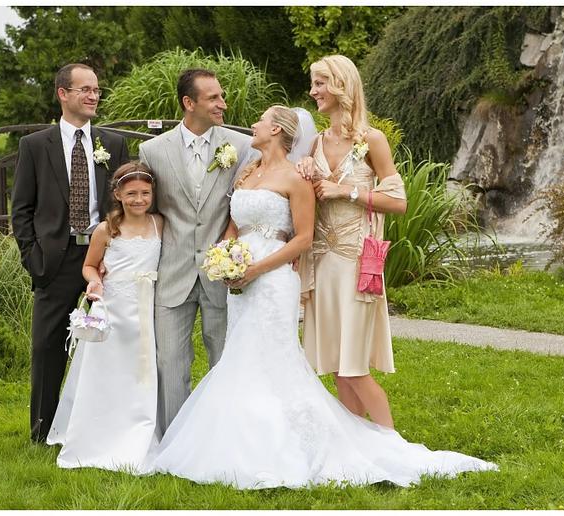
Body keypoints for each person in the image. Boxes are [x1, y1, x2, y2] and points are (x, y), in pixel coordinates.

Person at [141, 106, 498, 489]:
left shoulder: (296, 179)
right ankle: (243, 441)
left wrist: (257, 269)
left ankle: (301, 444)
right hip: (240, 280)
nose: (253, 125)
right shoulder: (247, 173)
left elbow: (303, 238)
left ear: (276, 130)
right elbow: (233, 225)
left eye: (261, 120)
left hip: (273, 279)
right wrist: (225, 257)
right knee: (241, 355)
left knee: (273, 358)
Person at [11, 63, 129, 443]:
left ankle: (102, 429)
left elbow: (122, 203)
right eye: (85, 89)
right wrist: (34, 259)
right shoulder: (35, 146)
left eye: (96, 90)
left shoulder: (112, 144)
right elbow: (21, 210)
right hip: (54, 261)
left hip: (105, 260)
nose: (93, 96)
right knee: (47, 347)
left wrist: (118, 251)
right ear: (63, 94)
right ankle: (42, 430)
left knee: (109, 343)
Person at [138, 68, 256, 436]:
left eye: (222, 96)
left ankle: (225, 436)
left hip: (222, 273)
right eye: (214, 98)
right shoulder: (152, 151)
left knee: (225, 357)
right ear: (189, 103)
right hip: (172, 271)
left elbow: (249, 203)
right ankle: (174, 439)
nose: (223, 104)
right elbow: (146, 212)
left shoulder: (242, 147)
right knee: (170, 362)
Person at [298, 55, 406, 429]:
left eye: (320, 83)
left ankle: (392, 444)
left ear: (341, 85)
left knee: (355, 367)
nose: (313, 91)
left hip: (358, 263)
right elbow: (303, 199)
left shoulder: (371, 140)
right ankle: (356, 444)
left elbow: (398, 202)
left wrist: (347, 191)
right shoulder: (314, 143)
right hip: (322, 263)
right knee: (337, 365)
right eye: (313, 83)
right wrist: (303, 171)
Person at [46, 163, 162, 472]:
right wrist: (95, 281)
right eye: (132, 193)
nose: (139, 199)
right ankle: (97, 429)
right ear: (118, 194)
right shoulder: (106, 229)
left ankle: (139, 426)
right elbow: (89, 265)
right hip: (114, 309)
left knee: (140, 370)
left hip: (145, 307)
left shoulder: (159, 223)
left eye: (145, 193)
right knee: (108, 370)